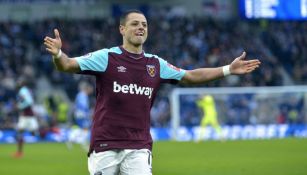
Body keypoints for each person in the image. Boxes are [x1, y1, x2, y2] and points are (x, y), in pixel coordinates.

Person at [43, 9, 261, 175]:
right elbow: (67, 65)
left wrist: (228, 69)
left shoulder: (155, 64)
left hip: (139, 146)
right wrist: (58, 53)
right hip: (105, 144)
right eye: (135, 24)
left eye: (144, 25)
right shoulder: (107, 57)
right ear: (122, 29)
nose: (141, 28)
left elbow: (190, 76)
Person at [13, 77, 38, 158]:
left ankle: (19, 152)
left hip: (26, 115)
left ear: (22, 83)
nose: (18, 83)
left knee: (22, 132)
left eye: (19, 82)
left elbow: (29, 101)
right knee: (24, 131)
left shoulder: (22, 91)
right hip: (27, 114)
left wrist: (19, 106)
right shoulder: (26, 90)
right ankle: (19, 152)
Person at [66, 81, 93, 151]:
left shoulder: (80, 95)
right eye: (90, 89)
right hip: (82, 114)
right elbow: (83, 106)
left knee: (82, 128)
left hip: (79, 114)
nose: (91, 91)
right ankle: (83, 143)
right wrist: (87, 113)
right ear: (87, 89)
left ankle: (72, 140)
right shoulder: (83, 95)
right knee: (85, 128)